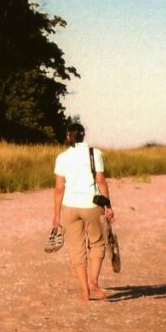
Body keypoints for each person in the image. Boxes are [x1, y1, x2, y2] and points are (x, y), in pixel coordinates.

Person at [51, 122, 116, 301]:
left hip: (69, 207)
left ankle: (84, 290)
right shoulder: (95, 154)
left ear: (68, 136)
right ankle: (94, 282)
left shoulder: (62, 157)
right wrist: (109, 206)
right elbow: (101, 181)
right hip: (91, 205)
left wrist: (56, 215)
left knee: (76, 249)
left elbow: (58, 188)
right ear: (83, 135)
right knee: (96, 243)